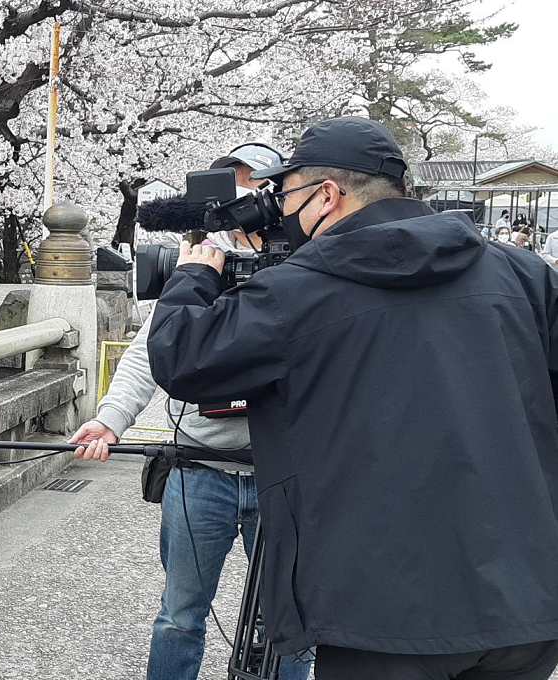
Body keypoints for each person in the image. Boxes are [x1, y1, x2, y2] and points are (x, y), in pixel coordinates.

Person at [147, 116, 558, 679]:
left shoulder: (300, 289)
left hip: (382, 613)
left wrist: (193, 277)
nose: (278, 212)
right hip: (528, 601)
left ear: (325, 196)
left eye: (284, 195)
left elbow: (186, 360)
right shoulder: (523, 272)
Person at [72, 144, 312, 680]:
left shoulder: (308, 262)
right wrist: (111, 419)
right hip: (198, 470)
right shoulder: (198, 264)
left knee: (291, 618)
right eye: (232, 187)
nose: (244, 199)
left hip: (286, 475)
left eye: (257, 187)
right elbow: (148, 352)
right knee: (179, 617)